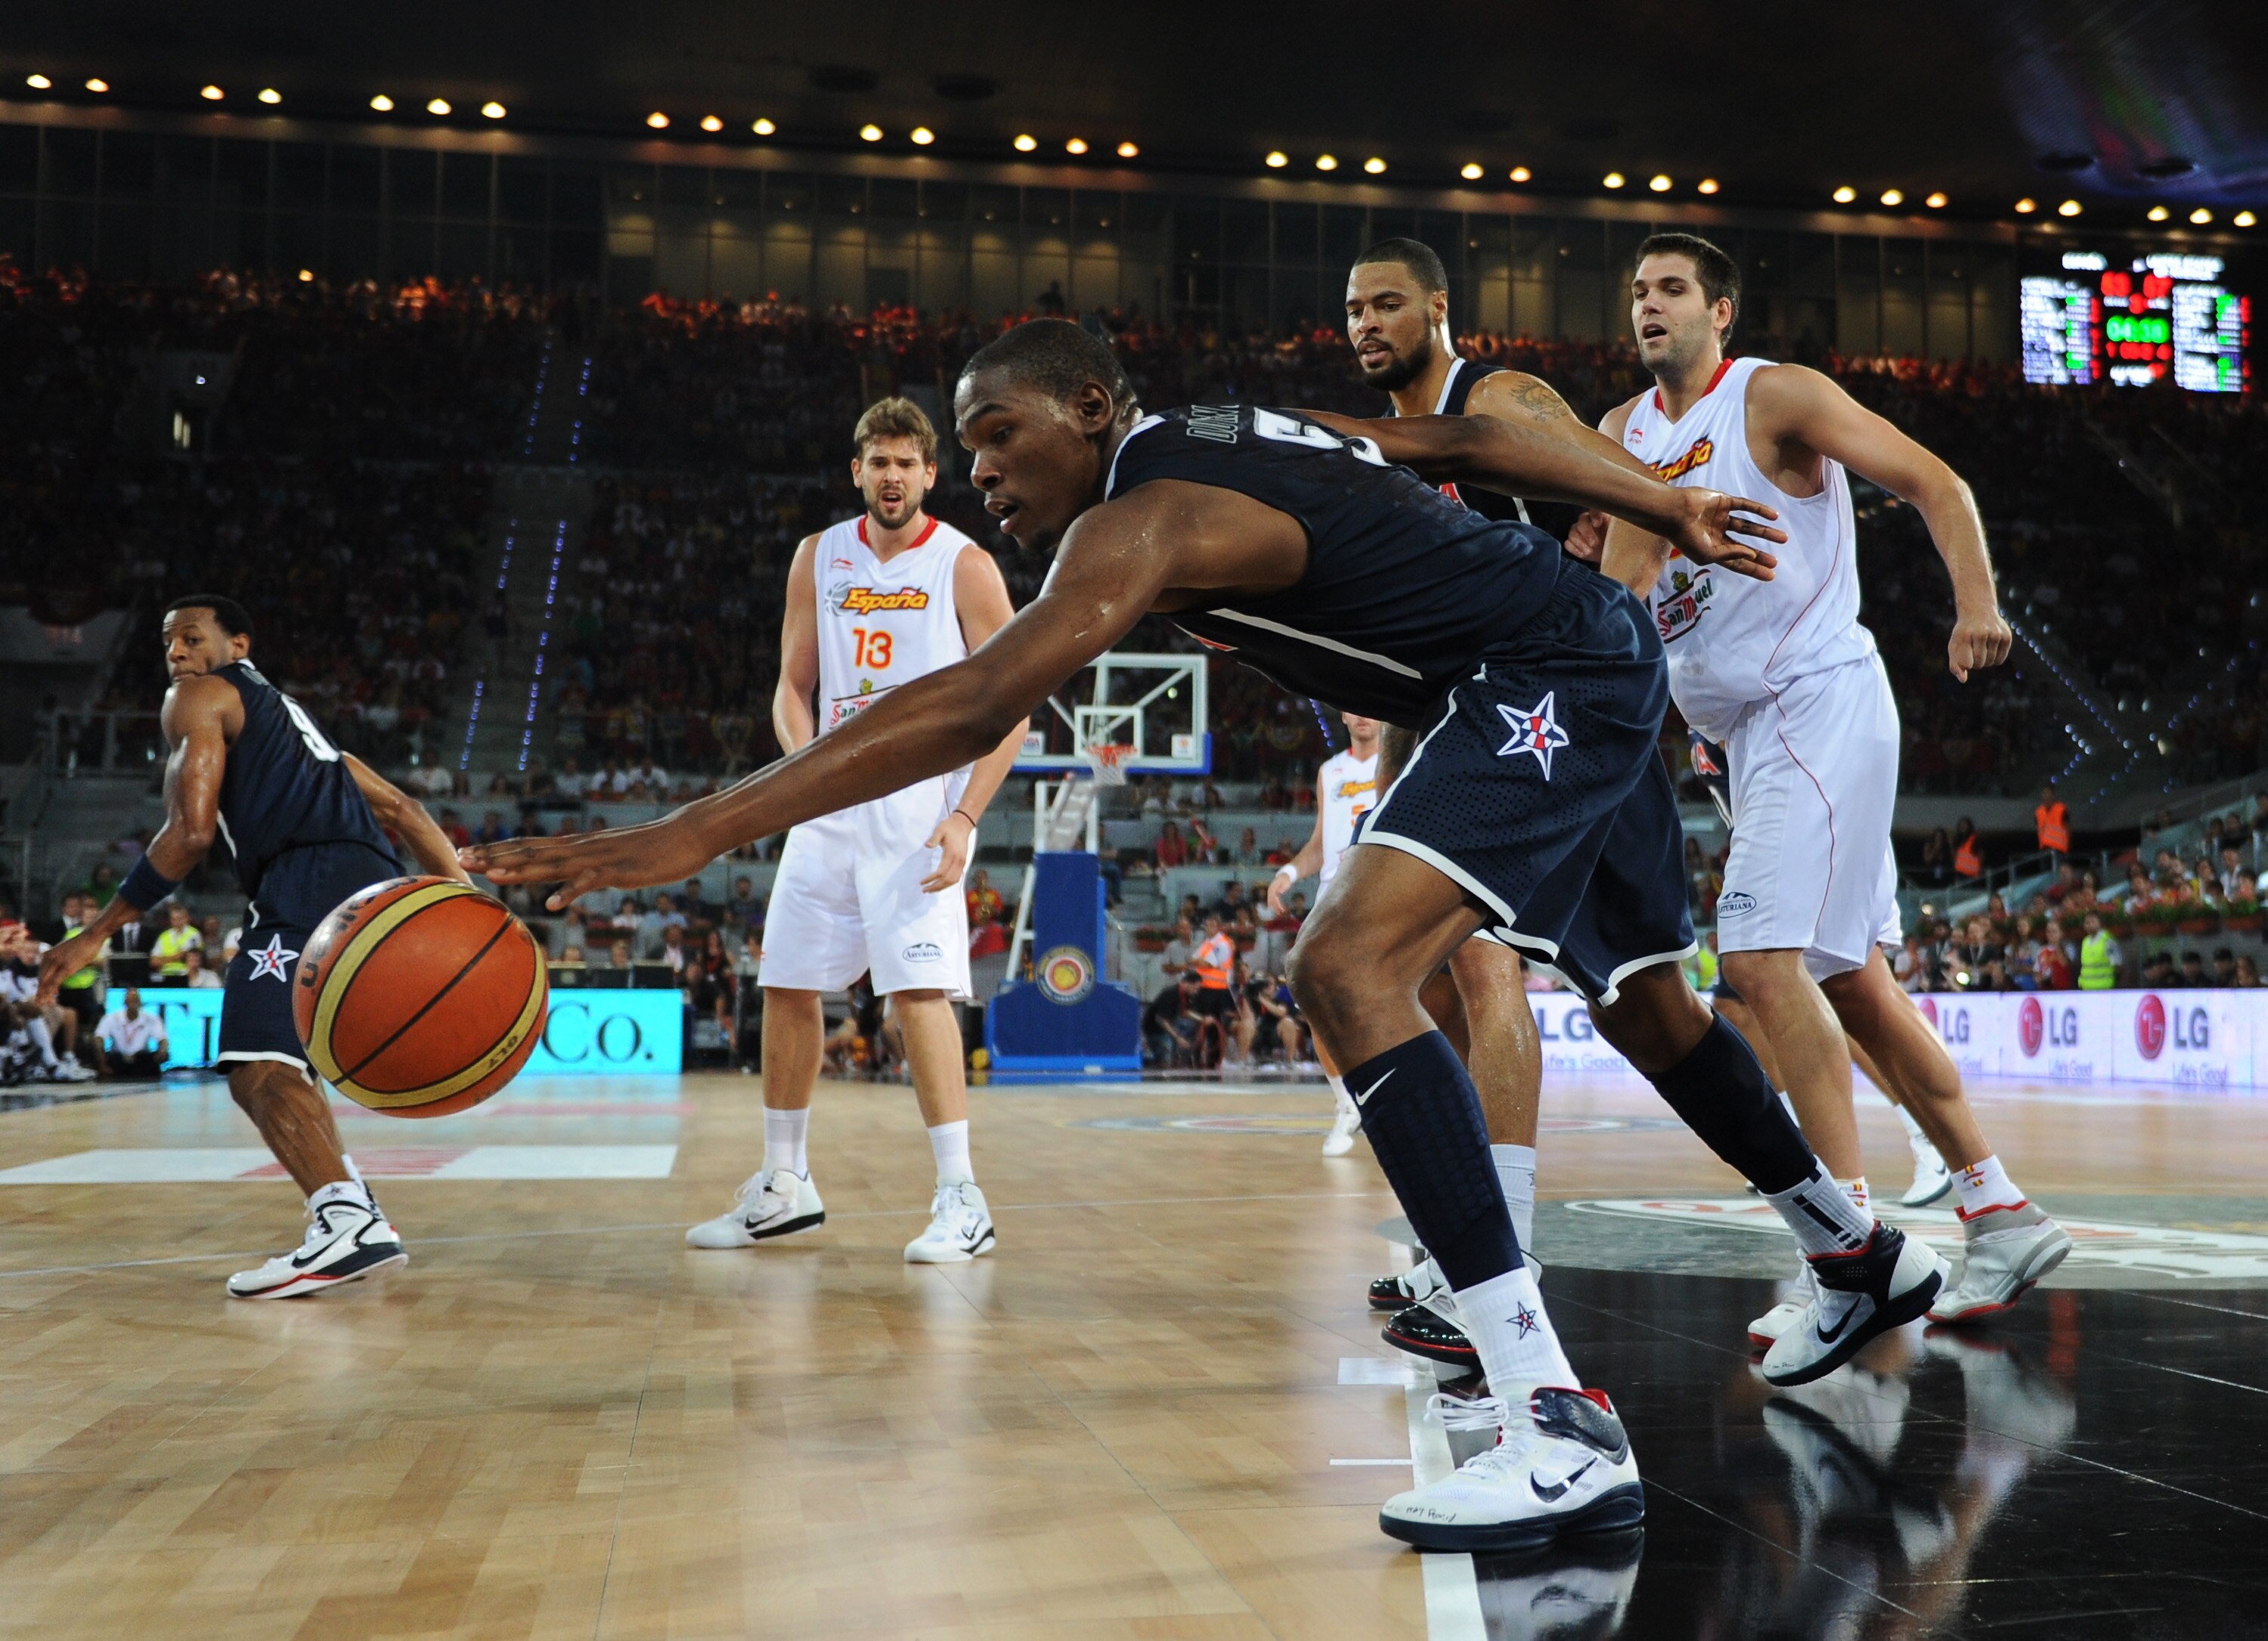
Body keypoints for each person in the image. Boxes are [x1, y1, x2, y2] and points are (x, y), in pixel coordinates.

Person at [466, 316, 1939, 1553]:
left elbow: (982, 698)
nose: (981, 472)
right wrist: (1652, 499)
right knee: (1642, 1003)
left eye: (997, 434)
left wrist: (696, 828)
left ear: (1093, 409)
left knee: (1345, 966)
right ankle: (1850, 1244)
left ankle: (1554, 1416)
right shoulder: (1242, 425)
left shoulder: (1142, 516)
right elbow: (1464, 444)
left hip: (1535, 671)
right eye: (965, 450)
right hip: (1562, 652)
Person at [1598, 233, 2068, 1339]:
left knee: (1760, 962)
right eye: (1635, 293)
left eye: (1669, 289)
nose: (1646, 307)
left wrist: (1977, 605)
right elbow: (1621, 586)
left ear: (1721, 310)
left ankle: (1846, 1249)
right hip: (1739, 738)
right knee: (1853, 982)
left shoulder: (1775, 397)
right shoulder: (1623, 432)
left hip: (1813, 700)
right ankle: (1997, 1204)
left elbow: (1935, 481)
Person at [38, 595, 470, 1301]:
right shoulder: (305, 734)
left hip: (303, 889)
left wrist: (96, 932)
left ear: (238, 644)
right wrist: (470, 905)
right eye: (168, 640)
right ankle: (351, 1209)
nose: (176, 652)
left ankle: (346, 1221)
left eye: (192, 636)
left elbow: (190, 835)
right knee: (296, 1069)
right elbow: (406, 812)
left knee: (256, 1067)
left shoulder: (197, 696)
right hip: (376, 889)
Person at [681, 398, 1027, 1266]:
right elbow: (790, 688)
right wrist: (805, 777)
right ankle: (785, 1182)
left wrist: (964, 816)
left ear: (929, 474)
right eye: (879, 461)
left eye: (908, 462)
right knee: (788, 981)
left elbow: (1012, 706)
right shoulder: (816, 556)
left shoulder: (965, 562)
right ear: (857, 470)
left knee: (918, 995)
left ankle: (962, 1196)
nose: (892, 476)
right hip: (829, 800)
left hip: (916, 805)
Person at [1269, 708, 1381, 1152]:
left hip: (1383, 892)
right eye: (1353, 708)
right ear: (1342, 715)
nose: (1363, 716)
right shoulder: (1329, 771)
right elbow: (1319, 843)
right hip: (1333, 898)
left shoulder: (1401, 761)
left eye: (1368, 707)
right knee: (1315, 999)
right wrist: (1289, 874)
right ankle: (1346, 1105)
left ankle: (1398, 1104)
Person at [94, 987, 169, 1079]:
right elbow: (99, 1037)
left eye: (135, 1000)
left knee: (158, 1057)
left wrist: (163, 1050)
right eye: (130, 1000)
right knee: (102, 1054)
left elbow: (162, 1039)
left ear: (140, 1003)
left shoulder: (151, 1019)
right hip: (118, 1058)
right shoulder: (112, 1018)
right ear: (124, 1002)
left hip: (141, 1059)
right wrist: (102, 1059)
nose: (132, 1003)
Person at [151, 902, 201, 981]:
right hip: (166, 974)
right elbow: (154, 961)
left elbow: (188, 956)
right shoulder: (164, 936)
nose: (177, 921)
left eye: (180, 918)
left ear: (186, 919)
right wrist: (174, 957)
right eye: (174, 919)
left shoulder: (193, 934)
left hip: (185, 973)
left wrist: (163, 960)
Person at [2077, 910, 2119, 991]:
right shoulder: (2085, 941)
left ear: (2100, 924)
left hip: (2103, 989)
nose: (2089, 925)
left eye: (2093, 922)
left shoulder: (2108, 941)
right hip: (2086, 989)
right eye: (2087, 923)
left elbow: (2117, 965)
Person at [2035, 782, 2069, 859]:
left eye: (2048, 793)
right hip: (2044, 850)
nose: (2046, 795)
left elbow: (2068, 829)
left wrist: (2067, 847)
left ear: (2053, 794)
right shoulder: (2038, 812)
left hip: (2059, 849)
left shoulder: (2061, 809)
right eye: (2044, 793)